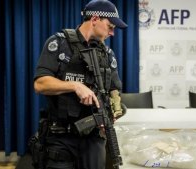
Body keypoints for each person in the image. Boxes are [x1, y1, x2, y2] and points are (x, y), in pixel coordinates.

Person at [33, 0, 127, 168]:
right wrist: (75, 86)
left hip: (94, 139)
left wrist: (114, 109)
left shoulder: (107, 54)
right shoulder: (60, 44)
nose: (112, 33)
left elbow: (114, 90)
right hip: (61, 138)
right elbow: (40, 84)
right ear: (95, 19)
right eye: (110, 26)